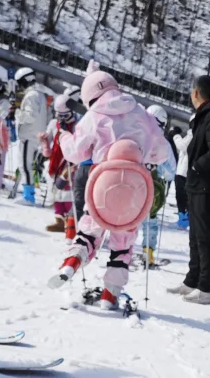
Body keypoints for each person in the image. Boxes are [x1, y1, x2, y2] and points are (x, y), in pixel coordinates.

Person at [47, 62, 169, 308]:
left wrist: (64, 136)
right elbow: (162, 153)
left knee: (89, 231)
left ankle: (71, 264)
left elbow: (76, 153)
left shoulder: (94, 116)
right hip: (136, 191)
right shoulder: (143, 114)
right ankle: (109, 295)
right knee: (122, 244)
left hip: (102, 187)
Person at [166, 73, 210, 305]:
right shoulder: (206, 116)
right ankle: (191, 280)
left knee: (205, 237)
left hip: (207, 184)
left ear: (196, 92)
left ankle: (205, 288)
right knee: (195, 236)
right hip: (198, 183)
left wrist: (197, 165)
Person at [141, 104, 176, 266]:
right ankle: (148, 253)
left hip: (133, 183)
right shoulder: (164, 144)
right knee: (150, 221)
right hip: (152, 187)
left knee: (129, 217)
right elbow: (170, 172)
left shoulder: (136, 134)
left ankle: (121, 250)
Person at [43, 87, 82, 230]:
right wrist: (44, 144)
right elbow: (49, 143)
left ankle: (70, 220)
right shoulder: (54, 124)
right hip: (56, 161)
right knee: (56, 190)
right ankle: (59, 219)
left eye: (66, 116)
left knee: (68, 191)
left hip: (70, 162)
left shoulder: (78, 126)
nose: (62, 120)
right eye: (60, 116)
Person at [12, 66, 49, 204]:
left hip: (29, 135)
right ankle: (29, 193)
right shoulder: (40, 94)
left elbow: (30, 116)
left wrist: (17, 113)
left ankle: (29, 196)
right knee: (28, 165)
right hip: (36, 135)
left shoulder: (31, 96)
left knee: (24, 165)